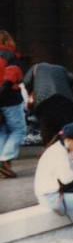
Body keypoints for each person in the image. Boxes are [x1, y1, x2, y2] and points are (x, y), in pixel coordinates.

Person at [23, 62, 73, 147]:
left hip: (44, 100)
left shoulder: (35, 67)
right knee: (64, 126)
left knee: (47, 127)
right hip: (64, 99)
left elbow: (26, 81)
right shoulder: (60, 68)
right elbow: (72, 78)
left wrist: (32, 91)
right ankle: (65, 148)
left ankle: (49, 149)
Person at [0, 30, 25, 178]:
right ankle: (4, 160)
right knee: (18, 130)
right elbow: (10, 78)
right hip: (9, 99)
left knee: (2, 131)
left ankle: (3, 164)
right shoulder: (11, 55)